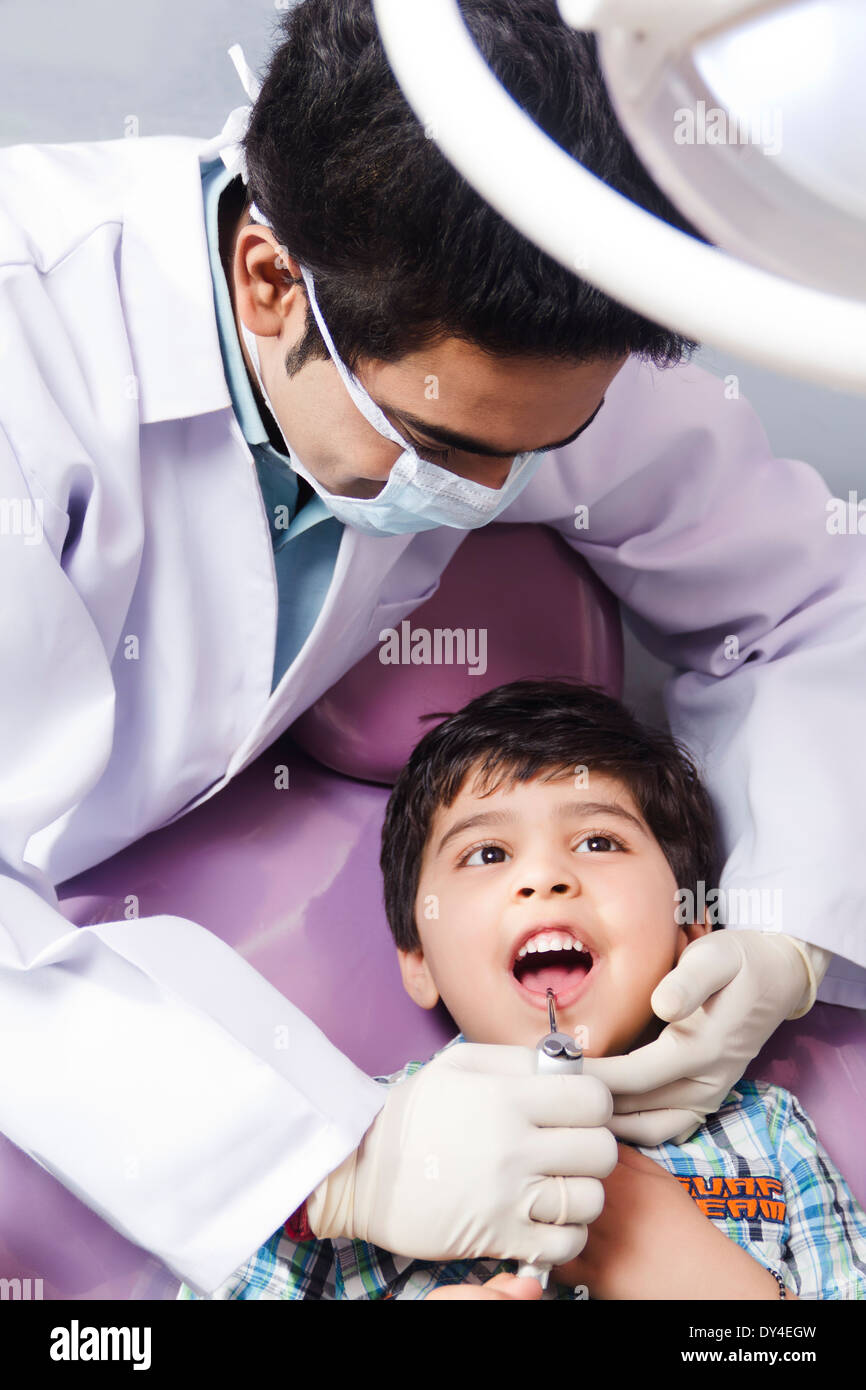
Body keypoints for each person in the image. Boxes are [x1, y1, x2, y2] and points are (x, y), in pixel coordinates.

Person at [0, 0, 862, 1296]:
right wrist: (332, 1165)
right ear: (268, 282)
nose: (495, 491)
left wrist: (783, 934)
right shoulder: (32, 352)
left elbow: (804, 597)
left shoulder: (532, 301)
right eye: (448, 447)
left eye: (542, 446)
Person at [178, 680, 866, 1300]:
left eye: (598, 842)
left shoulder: (770, 1134)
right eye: (487, 854)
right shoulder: (348, 1145)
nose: (544, 877)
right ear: (419, 959)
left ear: (691, 930)